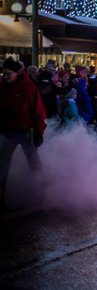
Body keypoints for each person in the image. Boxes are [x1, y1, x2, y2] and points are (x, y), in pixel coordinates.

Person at [0, 57, 46, 206]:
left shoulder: (28, 87)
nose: (5, 77)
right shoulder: (2, 88)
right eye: (3, 74)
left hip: (26, 131)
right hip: (7, 132)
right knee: (2, 164)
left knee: (33, 161)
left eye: (8, 74)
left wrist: (39, 131)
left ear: (15, 73)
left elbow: (38, 110)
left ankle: (42, 192)